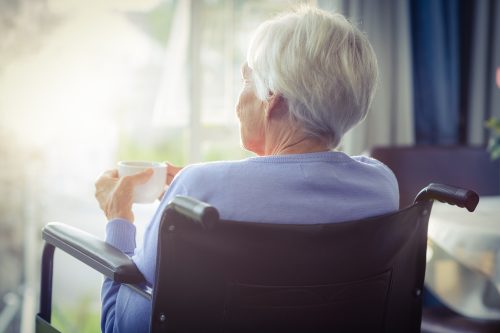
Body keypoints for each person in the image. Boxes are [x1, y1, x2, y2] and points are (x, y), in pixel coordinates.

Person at [95, 5, 398, 332]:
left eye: (245, 79)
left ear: (273, 100)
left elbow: (121, 327)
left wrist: (119, 218)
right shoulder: (381, 185)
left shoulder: (197, 184)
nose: (238, 103)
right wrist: (193, 194)